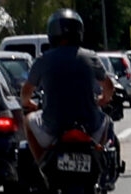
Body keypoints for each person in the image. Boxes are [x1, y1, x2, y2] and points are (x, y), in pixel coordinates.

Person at [20, 8, 113, 142]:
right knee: (107, 122)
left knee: (28, 120)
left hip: (53, 129)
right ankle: (100, 152)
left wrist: (29, 103)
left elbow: (26, 93)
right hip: (89, 127)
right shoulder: (90, 57)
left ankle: (42, 155)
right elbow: (108, 87)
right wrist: (103, 99)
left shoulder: (43, 60)